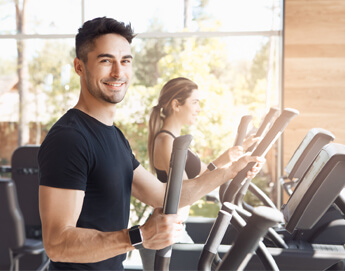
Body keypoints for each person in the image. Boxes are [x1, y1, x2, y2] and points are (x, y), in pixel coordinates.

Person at [38, 17, 264, 270]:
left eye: (125, 61)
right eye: (105, 61)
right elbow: (57, 244)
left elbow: (163, 196)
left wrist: (230, 171)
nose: (118, 72)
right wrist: (139, 236)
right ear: (79, 67)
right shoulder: (69, 139)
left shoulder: (115, 137)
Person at [139, 77, 258, 270]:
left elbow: (203, 172)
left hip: (174, 231)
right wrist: (230, 171)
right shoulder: (166, 142)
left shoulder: (176, 140)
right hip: (164, 237)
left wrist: (232, 155)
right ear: (176, 105)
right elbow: (187, 192)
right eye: (195, 102)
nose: (199, 108)